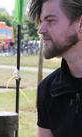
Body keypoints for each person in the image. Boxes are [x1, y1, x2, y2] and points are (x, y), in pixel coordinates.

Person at [28, 0, 82, 136]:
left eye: (50, 20)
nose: (41, 30)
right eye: (42, 22)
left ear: (81, 24)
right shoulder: (47, 90)